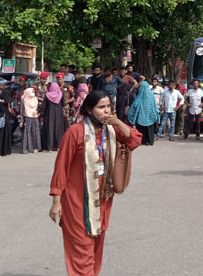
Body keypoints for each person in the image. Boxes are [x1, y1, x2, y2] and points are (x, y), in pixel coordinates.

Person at [49, 90, 142, 276]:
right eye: (101, 107)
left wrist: (117, 122)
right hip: (77, 203)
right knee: (82, 252)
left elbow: (134, 140)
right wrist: (56, 202)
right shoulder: (75, 132)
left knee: (95, 250)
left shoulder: (112, 129)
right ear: (90, 109)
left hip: (102, 201)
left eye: (108, 106)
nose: (106, 111)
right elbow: (61, 168)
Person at [128, 81, 160, 146]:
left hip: (141, 116)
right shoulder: (151, 94)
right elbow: (154, 104)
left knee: (141, 129)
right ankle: (149, 141)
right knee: (149, 129)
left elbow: (135, 103)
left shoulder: (140, 94)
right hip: (150, 115)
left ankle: (142, 141)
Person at [42, 82, 66, 151]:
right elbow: (63, 104)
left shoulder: (47, 95)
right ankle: (58, 146)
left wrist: (41, 113)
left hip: (49, 115)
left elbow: (44, 106)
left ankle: (49, 147)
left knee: (50, 129)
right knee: (58, 129)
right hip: (59, 115)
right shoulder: (60, 95)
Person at [21, 88, 41, 154]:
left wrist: (38, 112)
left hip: (35, 117)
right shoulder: (24, 99)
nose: (33, 93)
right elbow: (21, 111)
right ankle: (27, 148)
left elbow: (39, 107)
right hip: (27, 117)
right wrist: (21, 121)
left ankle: (36, 147)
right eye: (31, 92)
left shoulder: (35, 99)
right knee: (28, 133)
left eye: (33, 92)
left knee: (35, 132)